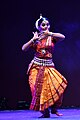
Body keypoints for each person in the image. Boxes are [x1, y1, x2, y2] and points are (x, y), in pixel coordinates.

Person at [22, 14, 68, 118]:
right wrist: (32, 40)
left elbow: (63, 37)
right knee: (36, 89)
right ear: (38, 27)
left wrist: (50, 33)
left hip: (49, 66)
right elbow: (24, 49)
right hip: (36, 66)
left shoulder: (52, 37)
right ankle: (44, 111)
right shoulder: (36, 38)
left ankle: (54, 109)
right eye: (43, 25)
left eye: (48, 24)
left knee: (58, 85)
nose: (46, 27)